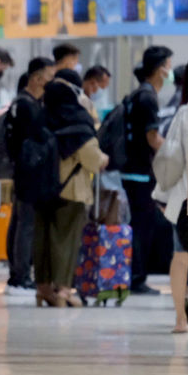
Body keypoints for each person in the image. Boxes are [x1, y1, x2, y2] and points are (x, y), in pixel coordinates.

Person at [33, 69, 108, 307]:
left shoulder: (39, 120)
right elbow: (93, 159)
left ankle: (43, 289)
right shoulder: (77, 121)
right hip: (71, 190)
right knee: (66, 240)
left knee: (43, 240)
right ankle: (64, 291)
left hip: (42, 190)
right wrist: (104, 159)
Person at [155, 58, 188, 332]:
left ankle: (180, 320)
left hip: (186, 198)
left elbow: (170, 158)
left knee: (181, 256)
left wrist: (162, 196)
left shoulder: (185, 114)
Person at [124, 46, 173, 296]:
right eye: (168, 65)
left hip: (135, 170)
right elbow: (153, 138)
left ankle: (136, 276)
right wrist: (178, 153)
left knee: (141, 224)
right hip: (140, 172)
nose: (170, 71)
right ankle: (136, 278)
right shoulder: (147, 97)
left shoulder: (140, 94)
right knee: (142, 226)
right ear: (159, 68)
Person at [5, 57, 55, 296]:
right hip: (29, 172)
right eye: (49, 78)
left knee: (19, 221)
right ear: (36, 78)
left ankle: (17, 273)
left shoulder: (21, 102)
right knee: (25, 224)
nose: (51, 83)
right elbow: (37, 139)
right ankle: (21, 275)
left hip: (21, 170)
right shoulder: (27, 106)